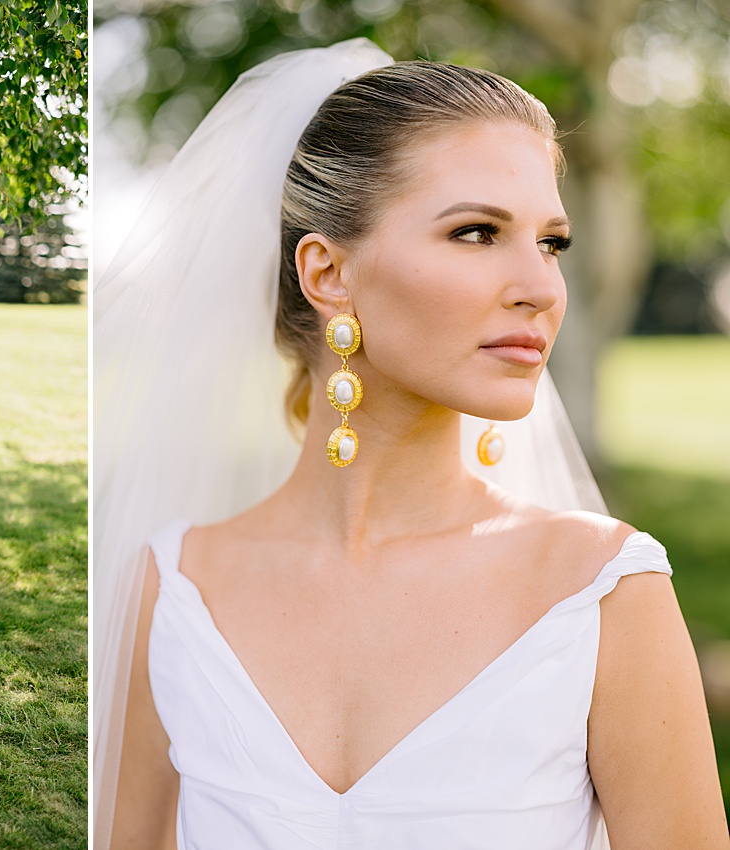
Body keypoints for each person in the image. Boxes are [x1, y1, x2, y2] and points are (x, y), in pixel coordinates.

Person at [93, 40, 727, 848]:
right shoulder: (176, 587)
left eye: (551, 242)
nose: (540, 288)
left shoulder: (606, 593)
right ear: (329, 274)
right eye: (475, 232)